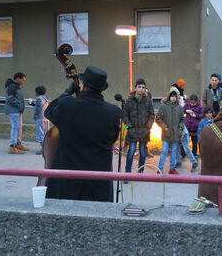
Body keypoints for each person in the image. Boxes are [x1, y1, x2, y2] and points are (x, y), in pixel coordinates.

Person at [45, 66, 121, 202]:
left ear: (82, 85)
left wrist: (66, 93)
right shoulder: (114, 112)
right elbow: (113, 138)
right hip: (98, 184)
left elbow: (49, 111)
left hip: (66, 183)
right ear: (102, 89)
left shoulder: (66, 105)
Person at [123, 79, 155, 175]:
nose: (141, 89)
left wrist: (148, 127)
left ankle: (140, 172)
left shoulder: (148, 101)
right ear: (135, 88)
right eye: (139, 87)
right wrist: (128, 127)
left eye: (143, 88)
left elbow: (152, 115)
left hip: (144, 132)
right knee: (131, 152)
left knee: (143, 152)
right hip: (132, 132)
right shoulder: (128, 101)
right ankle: (128, 173)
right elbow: (124, 116)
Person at [156, 87, 185, 174]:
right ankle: (160, 169)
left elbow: (182, 119)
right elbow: (158, 118)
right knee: (164, 151)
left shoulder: (179, 108)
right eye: (172, 96)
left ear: (177, 98)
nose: (173, 98)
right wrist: (164, 127)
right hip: (166, 133)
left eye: (175, 96)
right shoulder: (163, 106)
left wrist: (180, 127)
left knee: (174, 152)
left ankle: (172, 169)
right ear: (169, 96)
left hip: (176, 134)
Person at [4, 72, 28, 154]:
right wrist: (18, 105)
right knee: (15, 127)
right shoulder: (12, 86)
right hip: (13, 110)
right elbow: (10, 98)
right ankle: (12, 147)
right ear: (17, 78)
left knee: (19, 126)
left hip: (17, 110)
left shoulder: (16, 86)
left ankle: (18, 144)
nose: (23, 82)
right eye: (22, 80)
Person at [183, 94, 204, 158]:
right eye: (191, 102)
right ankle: (183, 154)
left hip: (195, 127)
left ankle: (194, 154)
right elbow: (182, 110)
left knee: (194, 142)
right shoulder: (187, 104)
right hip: (187, 126)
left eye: (193, 103)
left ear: (196, 101)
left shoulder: (200, 106)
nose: (192, 104)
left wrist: (196, 115)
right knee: (185, 141)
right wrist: (186, 111)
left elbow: (202, 115)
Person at [33, 85, 49, 155]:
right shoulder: (46, 99)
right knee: (45, 134)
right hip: (46, 118)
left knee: (39, 134)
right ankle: (47, 147)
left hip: (40, 119)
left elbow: (38, 109)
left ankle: (43, 148)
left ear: (37, 92)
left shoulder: (39, 99)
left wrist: (35, 115)